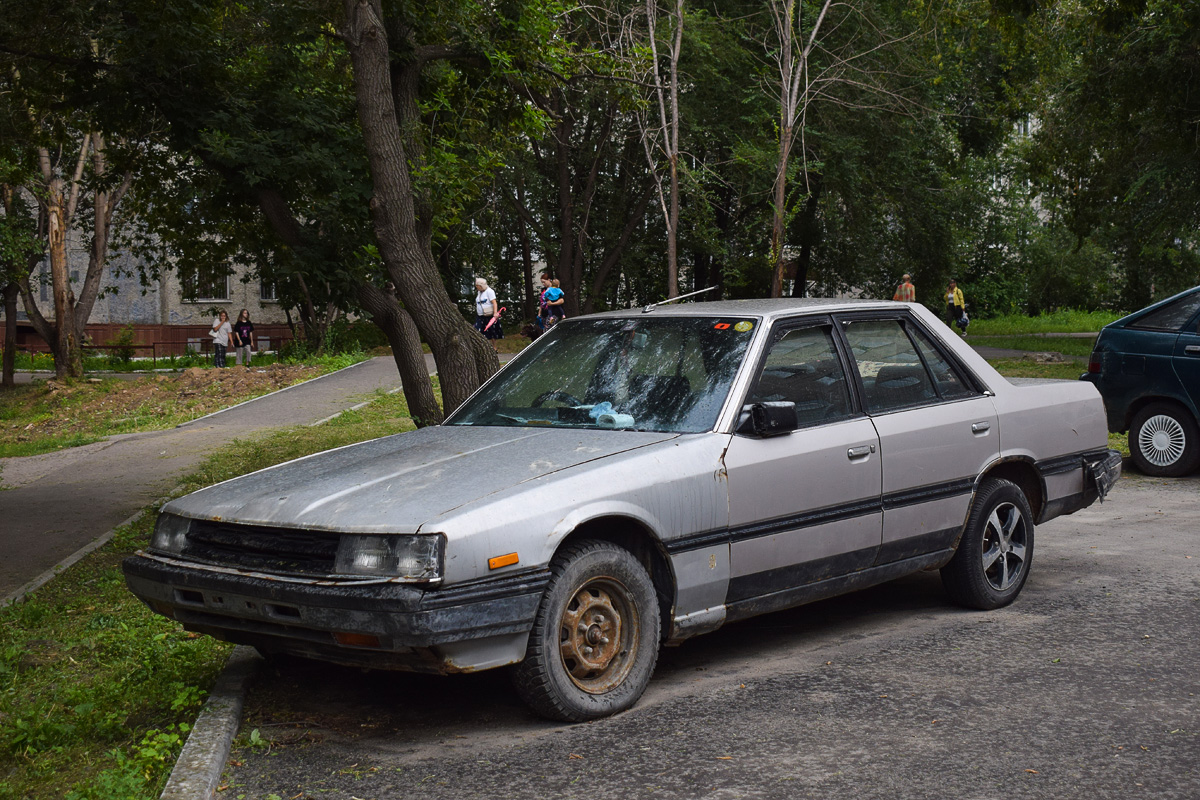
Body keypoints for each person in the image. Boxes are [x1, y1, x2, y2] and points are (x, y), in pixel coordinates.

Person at [473, 278, 503, 350]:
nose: (476, 287)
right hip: (481, 315)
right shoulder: (479, 292)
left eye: (477, 286)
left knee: (492, 332)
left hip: (489, 315)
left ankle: (494, 347)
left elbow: (494, 303)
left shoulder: (489, 291)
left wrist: (495, 313)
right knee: (478, 330)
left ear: (481, 286)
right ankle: (482, 347)